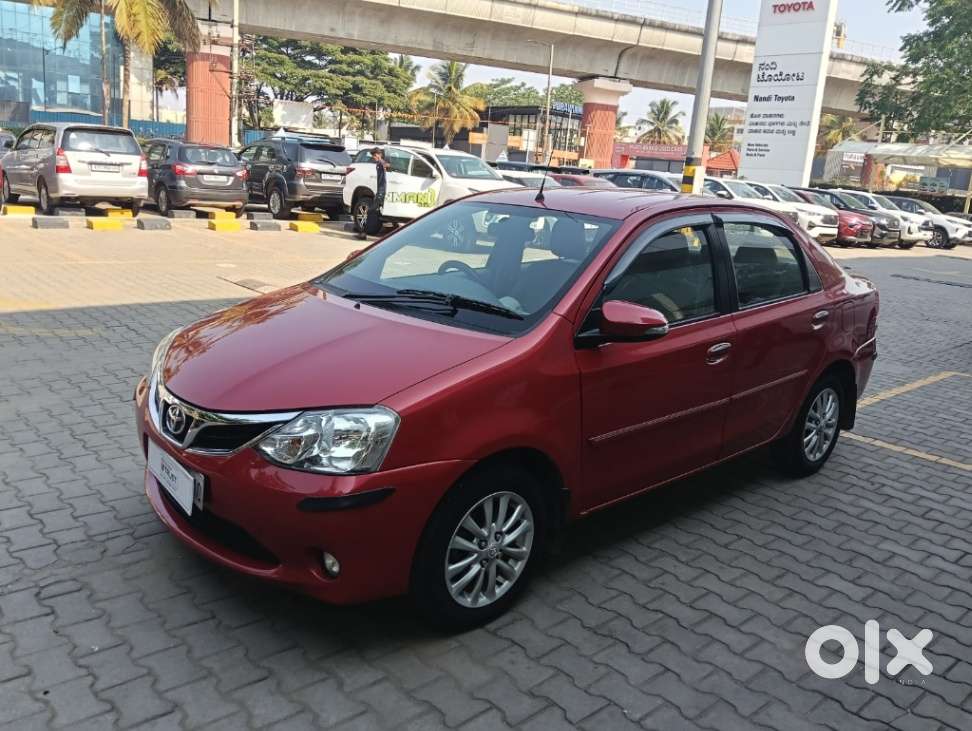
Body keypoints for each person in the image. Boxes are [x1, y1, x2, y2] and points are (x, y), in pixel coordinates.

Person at [358, 147, 389, 240]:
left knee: (371, 211)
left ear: (379, 155)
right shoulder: (381, 164)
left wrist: (380, 192)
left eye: (375, 156)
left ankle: (363, 233)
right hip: (381, 190)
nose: (374, 158)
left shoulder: (380, 164)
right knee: (378, 212)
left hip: (381, 191)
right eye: (373, 156)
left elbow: (385, 171)